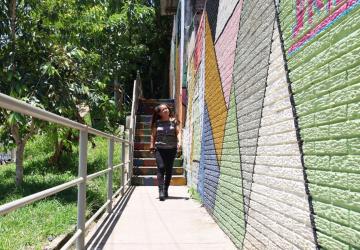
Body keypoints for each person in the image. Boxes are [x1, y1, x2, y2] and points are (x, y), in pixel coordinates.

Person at [149, 104, 181, 201]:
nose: (166, 110)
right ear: (159, 113)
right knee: (161, 167)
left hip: (172, 148)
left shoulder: (174, 121)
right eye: (163, 110)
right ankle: (161, 191)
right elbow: (153, 136)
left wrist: (179, 142)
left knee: (169, 169)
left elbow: (178, 133)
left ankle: (166, 189)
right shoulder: (157, 123)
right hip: (159, 148)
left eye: (166, 108)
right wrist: (151, 145)